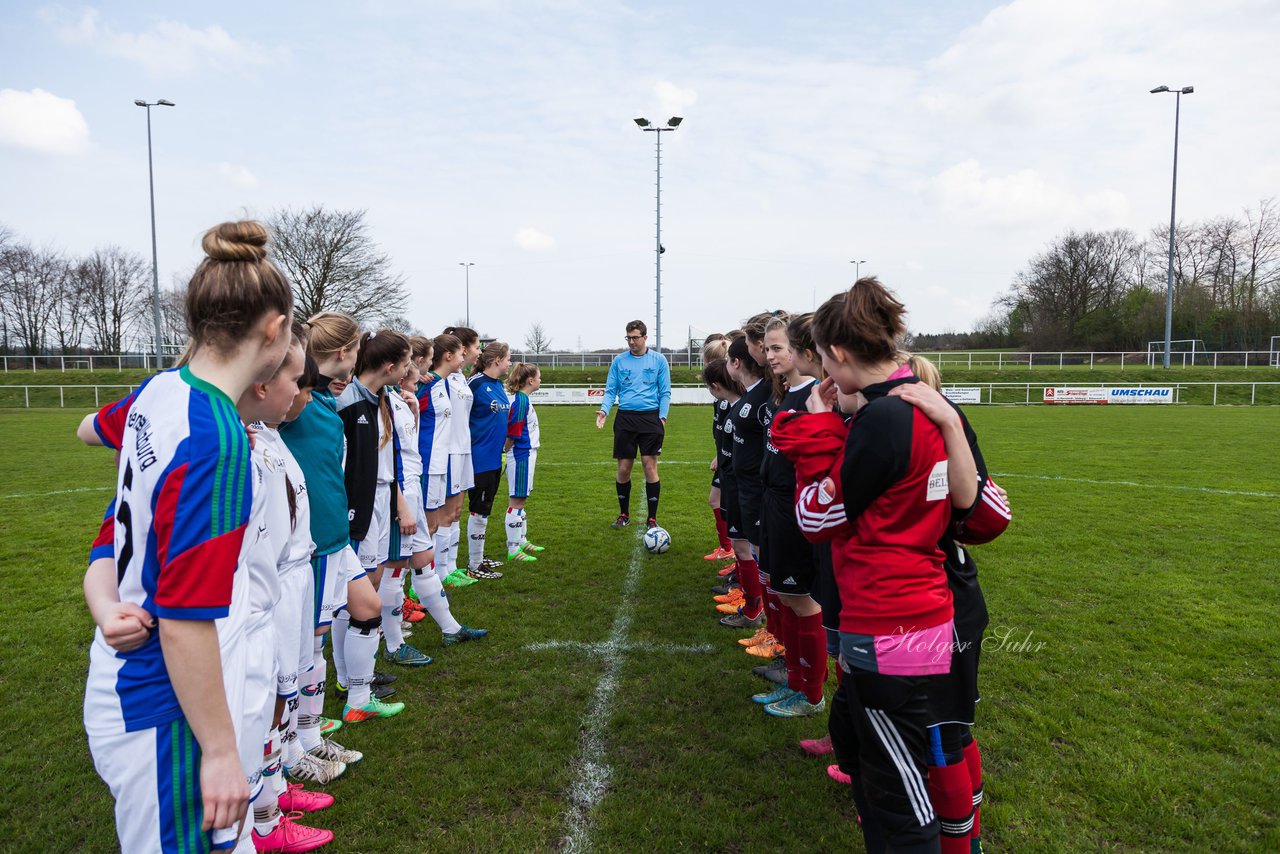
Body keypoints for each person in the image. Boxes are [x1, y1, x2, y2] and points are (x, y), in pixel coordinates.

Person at [80, 220, 291, 853]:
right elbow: (182, 617)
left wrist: (102, 603)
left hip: (133, 678)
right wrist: (223, 752)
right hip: (164, 702)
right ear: (274, 331)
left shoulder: (159, 392)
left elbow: (116, 537)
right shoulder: (216, 439)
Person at [771, 277, 976, 853]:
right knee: (871, 763)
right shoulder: (927, 405)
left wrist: (817, 427)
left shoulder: (885, 418)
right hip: (914, 615)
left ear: (837, 353)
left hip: (894, 624)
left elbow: (816, 519)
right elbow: (976, 510)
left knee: (901, 800)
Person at [279, 312, 398, 738]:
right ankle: (305, 738)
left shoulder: (328, 398)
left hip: (335, 537)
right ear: (347, 351)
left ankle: (357, 703)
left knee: (368, 608)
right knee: (311, 643)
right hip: (312, 540)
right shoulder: (296, 396)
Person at [337, 330, 428, 674]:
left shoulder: (384, 398)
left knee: (370, 587)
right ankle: (348, 677)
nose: (408, 370)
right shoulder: (347, 402)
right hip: (358, 504)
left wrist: (397, 500)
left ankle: (360, 672)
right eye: (405, 363)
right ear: (390, 366)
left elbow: (389, 458)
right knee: (354, 596)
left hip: (382, 499)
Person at [752, 315, 827, 719]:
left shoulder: (815, 397)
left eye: (779, 347)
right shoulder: (785, 395)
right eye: (767, 347)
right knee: (784, 594)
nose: (770, 354)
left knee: (802, 600)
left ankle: (811, 693)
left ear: (801, 351)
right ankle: (796, 681)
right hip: (775, 506)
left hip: (796, 509)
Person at [595, 320, 671, 529]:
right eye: (628, 338)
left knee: (649, 466)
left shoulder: (659, 360)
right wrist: (604, 411)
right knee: (624, 469)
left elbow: (665, 392)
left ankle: (652, 519)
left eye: (635, 338)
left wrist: (662, 418)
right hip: (625, 419)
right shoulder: (619, 361)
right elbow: (611, 391)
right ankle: (624, 515)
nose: (631, 342)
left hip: (650, 418)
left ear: (645, 338)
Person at [466, 342, 513, 579]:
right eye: (507, 359)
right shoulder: (475, 384)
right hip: (478, 459)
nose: (509, 363)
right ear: (496, 361)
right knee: (478, 511)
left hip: (494, 459)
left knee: (484, 511)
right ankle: (474, 565)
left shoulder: (498, 386)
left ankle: (478, 557)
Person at [439, 326, 481, 579]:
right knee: (444, 515)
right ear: (463, 349)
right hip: (449, 452)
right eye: (477, 347)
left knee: (456, 513)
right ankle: (440, 572)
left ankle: (452, 567)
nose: (479, 352)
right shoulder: (442, 378)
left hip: (465, 450)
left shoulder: (460, 378)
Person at [504, 363, 543, 561]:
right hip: (521, 454)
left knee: (522, 499)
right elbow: (513, 431)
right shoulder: (520, 401)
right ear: (530, 380)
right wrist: (506, 452)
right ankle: (513, 550)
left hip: (526, 453)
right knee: (517, 500)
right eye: (539, 377)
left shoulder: (523, 399)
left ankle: (521, 540)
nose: (540, 380)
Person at [701, 335, 734, 562]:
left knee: (719, 500)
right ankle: (728, 547)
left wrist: (722, 456)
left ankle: (730, 549)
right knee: (717, 500)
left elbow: (732, 433)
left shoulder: (727, 398)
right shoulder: (720, 397)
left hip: (732, 462)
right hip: (724, 457)